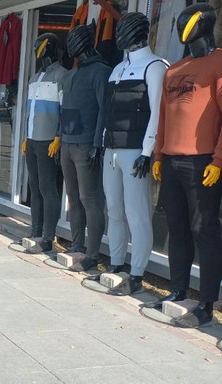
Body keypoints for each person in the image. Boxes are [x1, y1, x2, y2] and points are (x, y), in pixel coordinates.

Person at [146, 3, 222, 328]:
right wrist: (160, 155)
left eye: (187, 21)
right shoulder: (173, 70)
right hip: (173, 161)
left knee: (203, 230)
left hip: (202, 161)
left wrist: (218, 159)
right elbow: (163, 116)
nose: (181, 26)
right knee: (177, 228)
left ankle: (207, 302)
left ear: (205, 24)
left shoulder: (218, 62)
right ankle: (178, 289)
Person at [92, 13, 168, 294]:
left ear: (137, 33)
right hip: (111, 150)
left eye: (124, 30)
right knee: (113, 210)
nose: (118, 35)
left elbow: (157, 113)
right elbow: (108, 112)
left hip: (136, 150)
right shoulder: (117, 70)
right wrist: (101, 143)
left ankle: (137, 273)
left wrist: (147, 152)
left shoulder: (155, 67)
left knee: (137, 213)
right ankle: (115, 263)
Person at [59, 24, 110, 272]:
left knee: (89, 199)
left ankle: (92, 253)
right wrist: (61, 138)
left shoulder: (101, 72)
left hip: (86, 143)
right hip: (67, 143)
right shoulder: (71, 74)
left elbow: (104, 110)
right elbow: (66, 110)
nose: (71, 45)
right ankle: (76, 244)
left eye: (74, 40)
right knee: (73, 198)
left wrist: (97, 144)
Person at [20, 33, 67, 254]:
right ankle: (35, 231)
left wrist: (58, 137)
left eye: (40, 46)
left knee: (48, 188)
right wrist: (25, 136)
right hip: (32, 140)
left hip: (49, 141)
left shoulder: (62, 76)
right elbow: (30, 111)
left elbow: (64, 110)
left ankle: (48, 236)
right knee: (34, 187)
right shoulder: (33, 78)